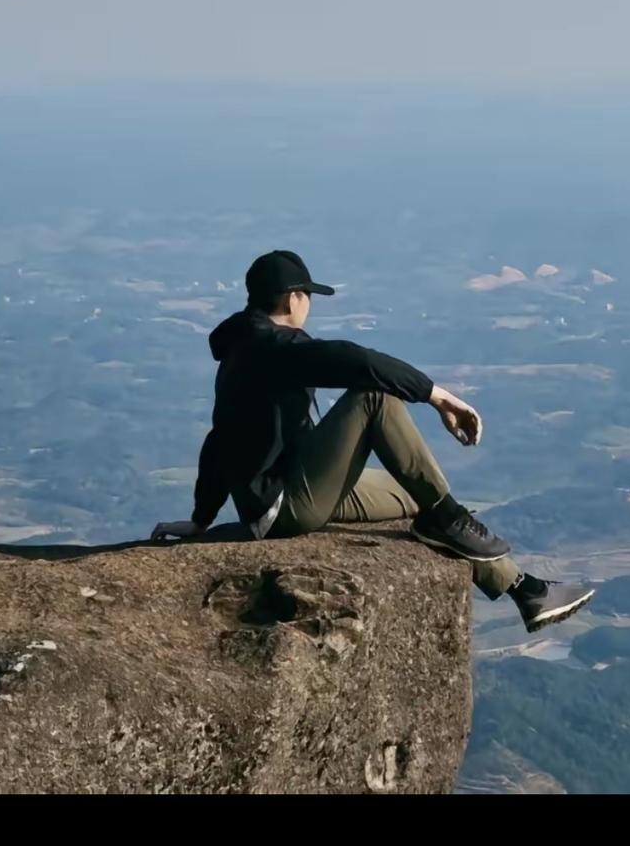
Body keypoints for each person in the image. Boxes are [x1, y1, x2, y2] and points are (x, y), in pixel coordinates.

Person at [152, 249, 594, 633]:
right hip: (284, 505)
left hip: (300, 481)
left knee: (422, 496)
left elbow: (219, 439)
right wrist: (438, 396)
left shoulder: (243, 347)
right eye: (308, 296)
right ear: (292, 298)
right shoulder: (272, 348)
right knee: (374, 397)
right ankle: (451, 519)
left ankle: (524, 590)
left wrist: (201, 520)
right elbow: (358, 362)